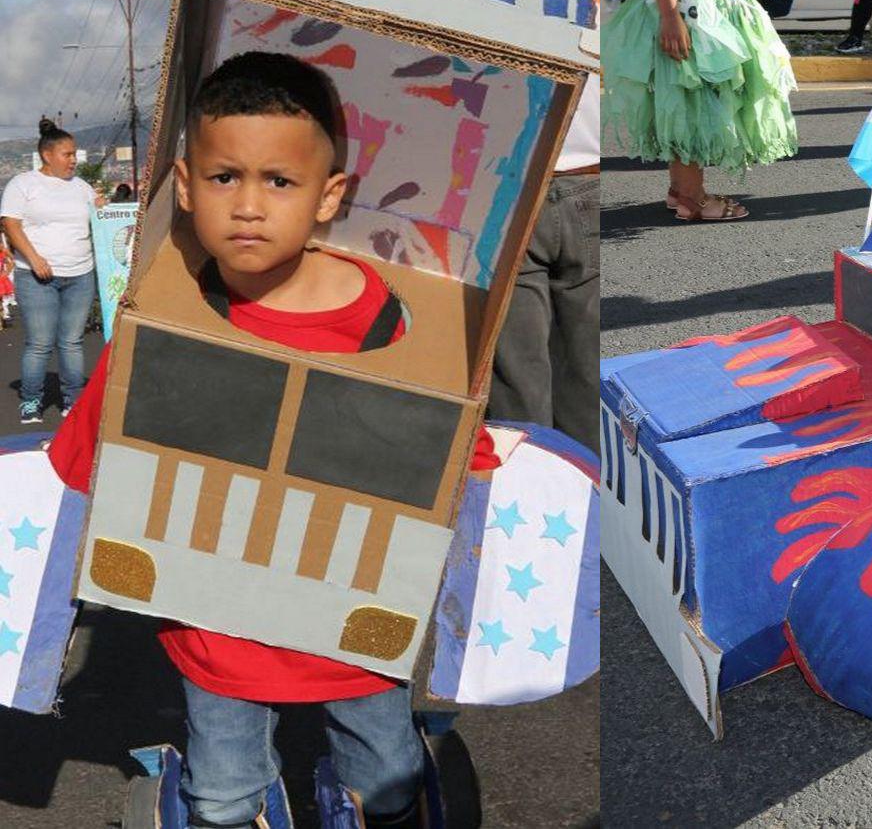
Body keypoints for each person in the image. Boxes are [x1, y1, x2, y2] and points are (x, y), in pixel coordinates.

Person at [47, 52, 505, 829]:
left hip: (356, 638)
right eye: (226, 178)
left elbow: (465, 463)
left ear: (330, 196)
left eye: (280, 182)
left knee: (390, 786)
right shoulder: (160, 328)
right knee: (222, 801)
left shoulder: (396, 323)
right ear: (185, 187)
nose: (250, 206)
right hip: (216, 636)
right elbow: (85, 464)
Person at [467, 0, 601, 454]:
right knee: (586, 367)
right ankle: (590, 492)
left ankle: (527, 490)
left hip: (513, 189)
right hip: (589, 183)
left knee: (518, 370)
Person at [602, 0, 798, 221]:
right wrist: (671, 18)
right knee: (689, 95)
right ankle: (692, 199)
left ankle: (680, 189)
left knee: (692, 94)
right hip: (689, 6)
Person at [0, 119, 101, 423]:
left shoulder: (82, 187)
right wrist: (34, 258)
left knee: (71, 341)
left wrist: (101, 206)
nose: (74, 160)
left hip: (80, 275)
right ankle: (31, 400)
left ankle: (74, 399)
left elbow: (96, 221)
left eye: (74, 154)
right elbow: (11, 224)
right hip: (36, 277)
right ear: (47, 154)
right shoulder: (23, 184)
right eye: (67, 154)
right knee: (40, 343)